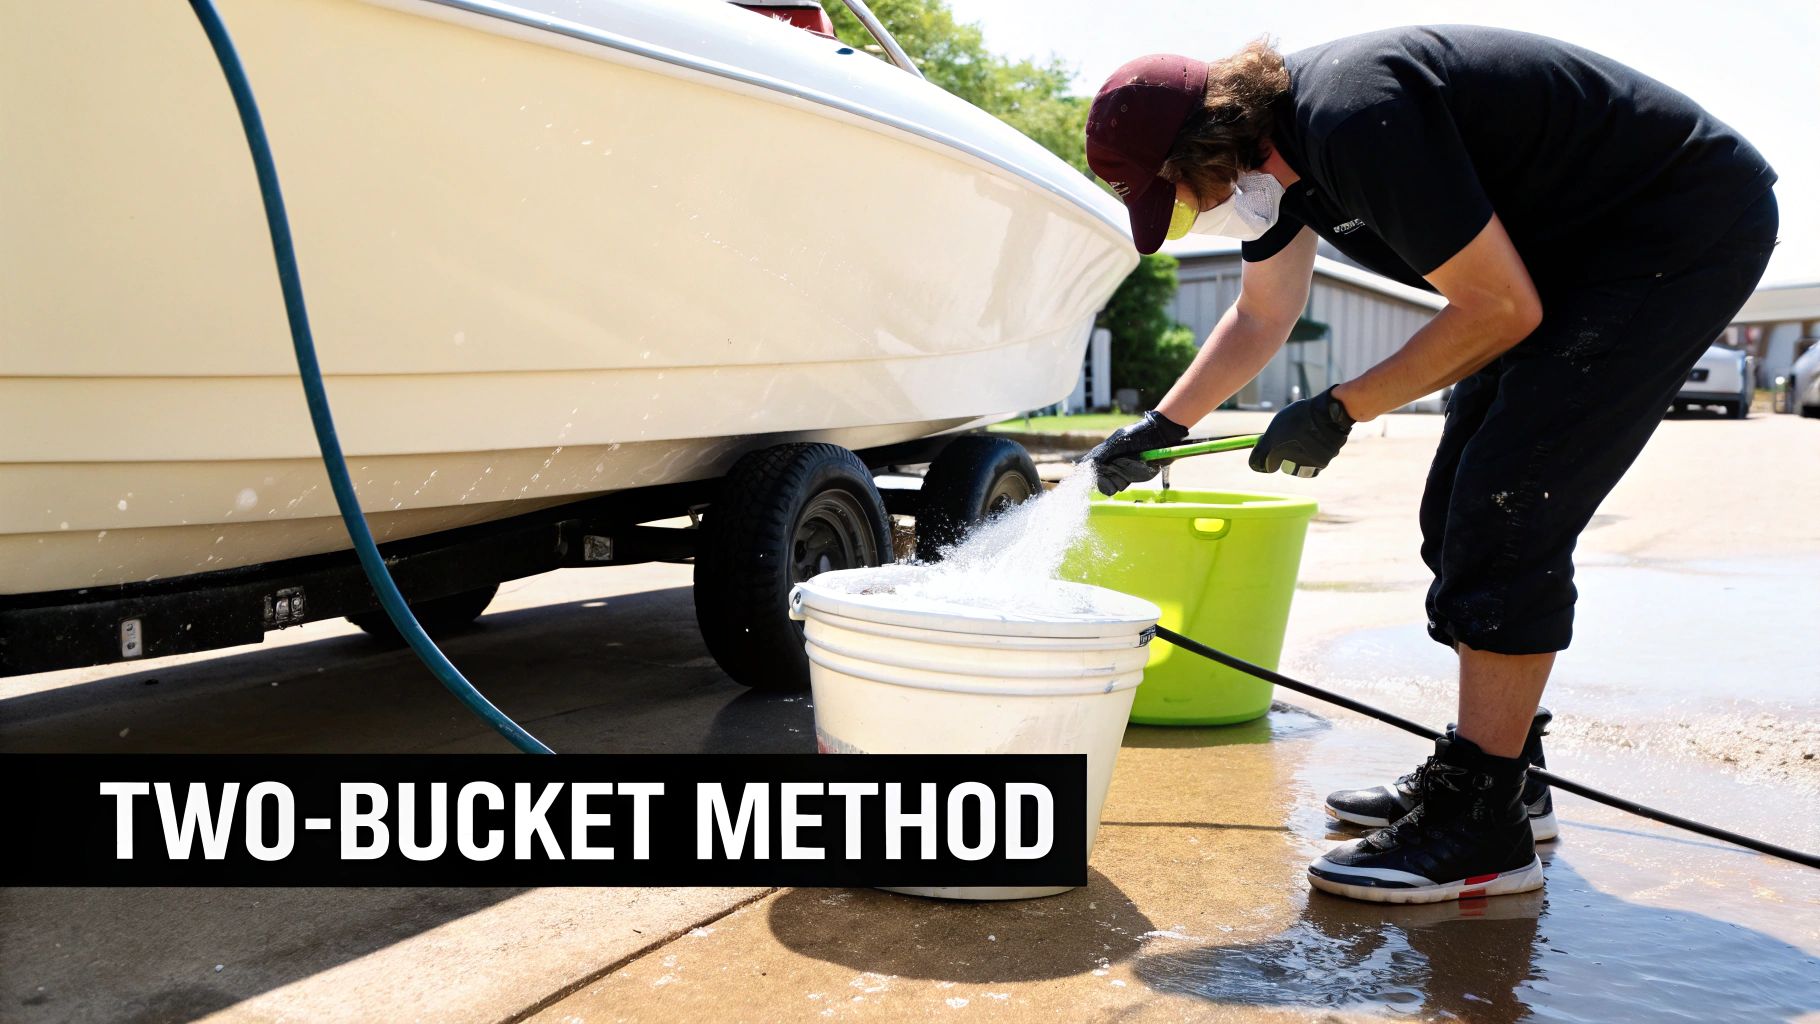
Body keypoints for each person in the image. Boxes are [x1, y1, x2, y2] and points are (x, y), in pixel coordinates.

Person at [1082, 27, 1777, 903]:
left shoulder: (1354, 118)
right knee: (1453, 509)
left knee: (1507, 511)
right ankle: (1505, 776)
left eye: (1179, 190)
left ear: (1210, 146)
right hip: (1564, 258)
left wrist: (1341, 408)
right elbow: (1263, 317)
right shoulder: (1277, 168)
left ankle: (1481, 825)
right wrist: (1161, 424)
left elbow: (1499, 306)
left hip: (1671, 230)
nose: (1192, 210)